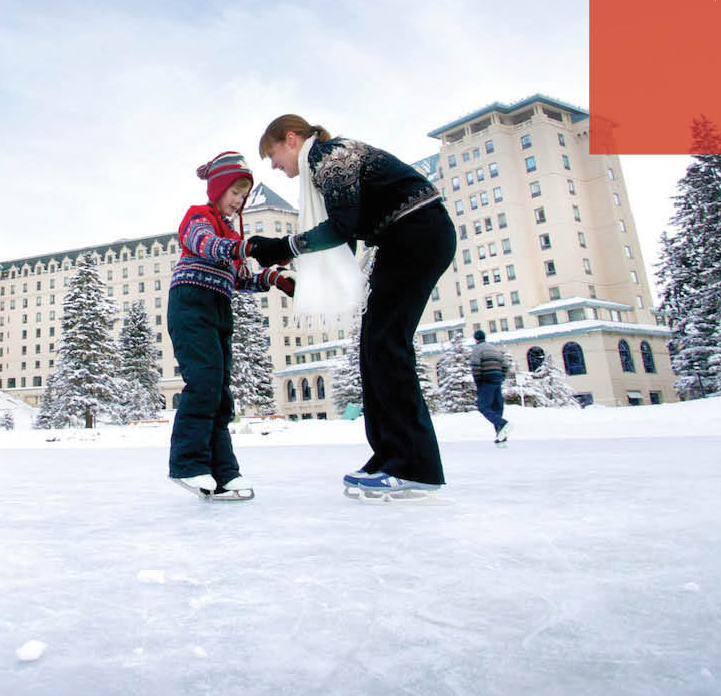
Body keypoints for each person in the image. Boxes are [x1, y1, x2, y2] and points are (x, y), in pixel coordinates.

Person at [248, 115, 455, 498]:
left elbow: (342, 228)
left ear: (291, 139)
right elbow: (347, 244)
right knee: (374, 348)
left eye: (273, 155)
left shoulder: (330, 157)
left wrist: (282, 247)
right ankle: (390, 454)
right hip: (405, 239)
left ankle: (414, 466)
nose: (275, 166)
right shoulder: (323, 164)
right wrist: (299, 275)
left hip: (417, 234)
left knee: (387, 346)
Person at [167, 151, 294, 500]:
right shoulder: (199, 218)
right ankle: (188, 463)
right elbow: (205, 246)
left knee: (221, 393)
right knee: (204, 381)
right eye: (234, 192)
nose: (239, 201)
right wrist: (247, 246)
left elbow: (241, 279)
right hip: (191, 303)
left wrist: (273, 278)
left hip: (219, 308)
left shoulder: (229, 231)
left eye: (244, 195)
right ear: (218, 188)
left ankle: (224, 474)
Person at [470, 329, 511, 445]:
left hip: (486, 381)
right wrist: (501, 376)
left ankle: (501, 423)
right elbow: (506, 365)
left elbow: (475, 366)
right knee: (497, 407)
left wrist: (478, 381)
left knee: (483, 406)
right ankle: (501, 434)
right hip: (497, 380)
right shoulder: (494, 349)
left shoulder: (477, 350)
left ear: (476, 339)